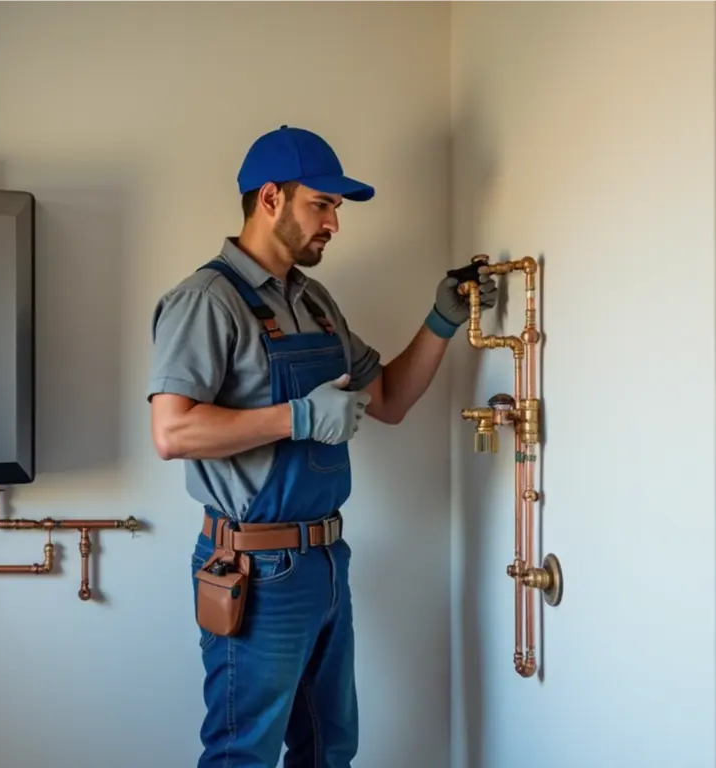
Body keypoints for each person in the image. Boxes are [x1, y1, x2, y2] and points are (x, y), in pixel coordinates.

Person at [146, 125, 498, 768]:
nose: (335, 222)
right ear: (271, 198)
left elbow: (388, 399)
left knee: (329, 747)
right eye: (323, 204)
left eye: (337, 208)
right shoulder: (206, 300)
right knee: (241, 754)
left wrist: (442, 319)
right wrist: (298, 417)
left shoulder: (315, 301)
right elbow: (173, 431)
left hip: (326, 559)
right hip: (254, 571)